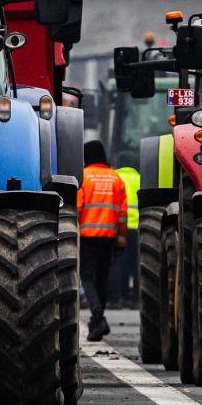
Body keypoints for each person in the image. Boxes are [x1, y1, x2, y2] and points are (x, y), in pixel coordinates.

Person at [77, 140, 128, 342]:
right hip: (108, 239)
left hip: (87, 238)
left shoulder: (84, 177)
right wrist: (121, 241)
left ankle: (98, 316)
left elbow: (78, 208)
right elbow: (122, 214)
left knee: (87, 278)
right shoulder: (116, 179)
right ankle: (97, 322)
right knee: (102, 280)